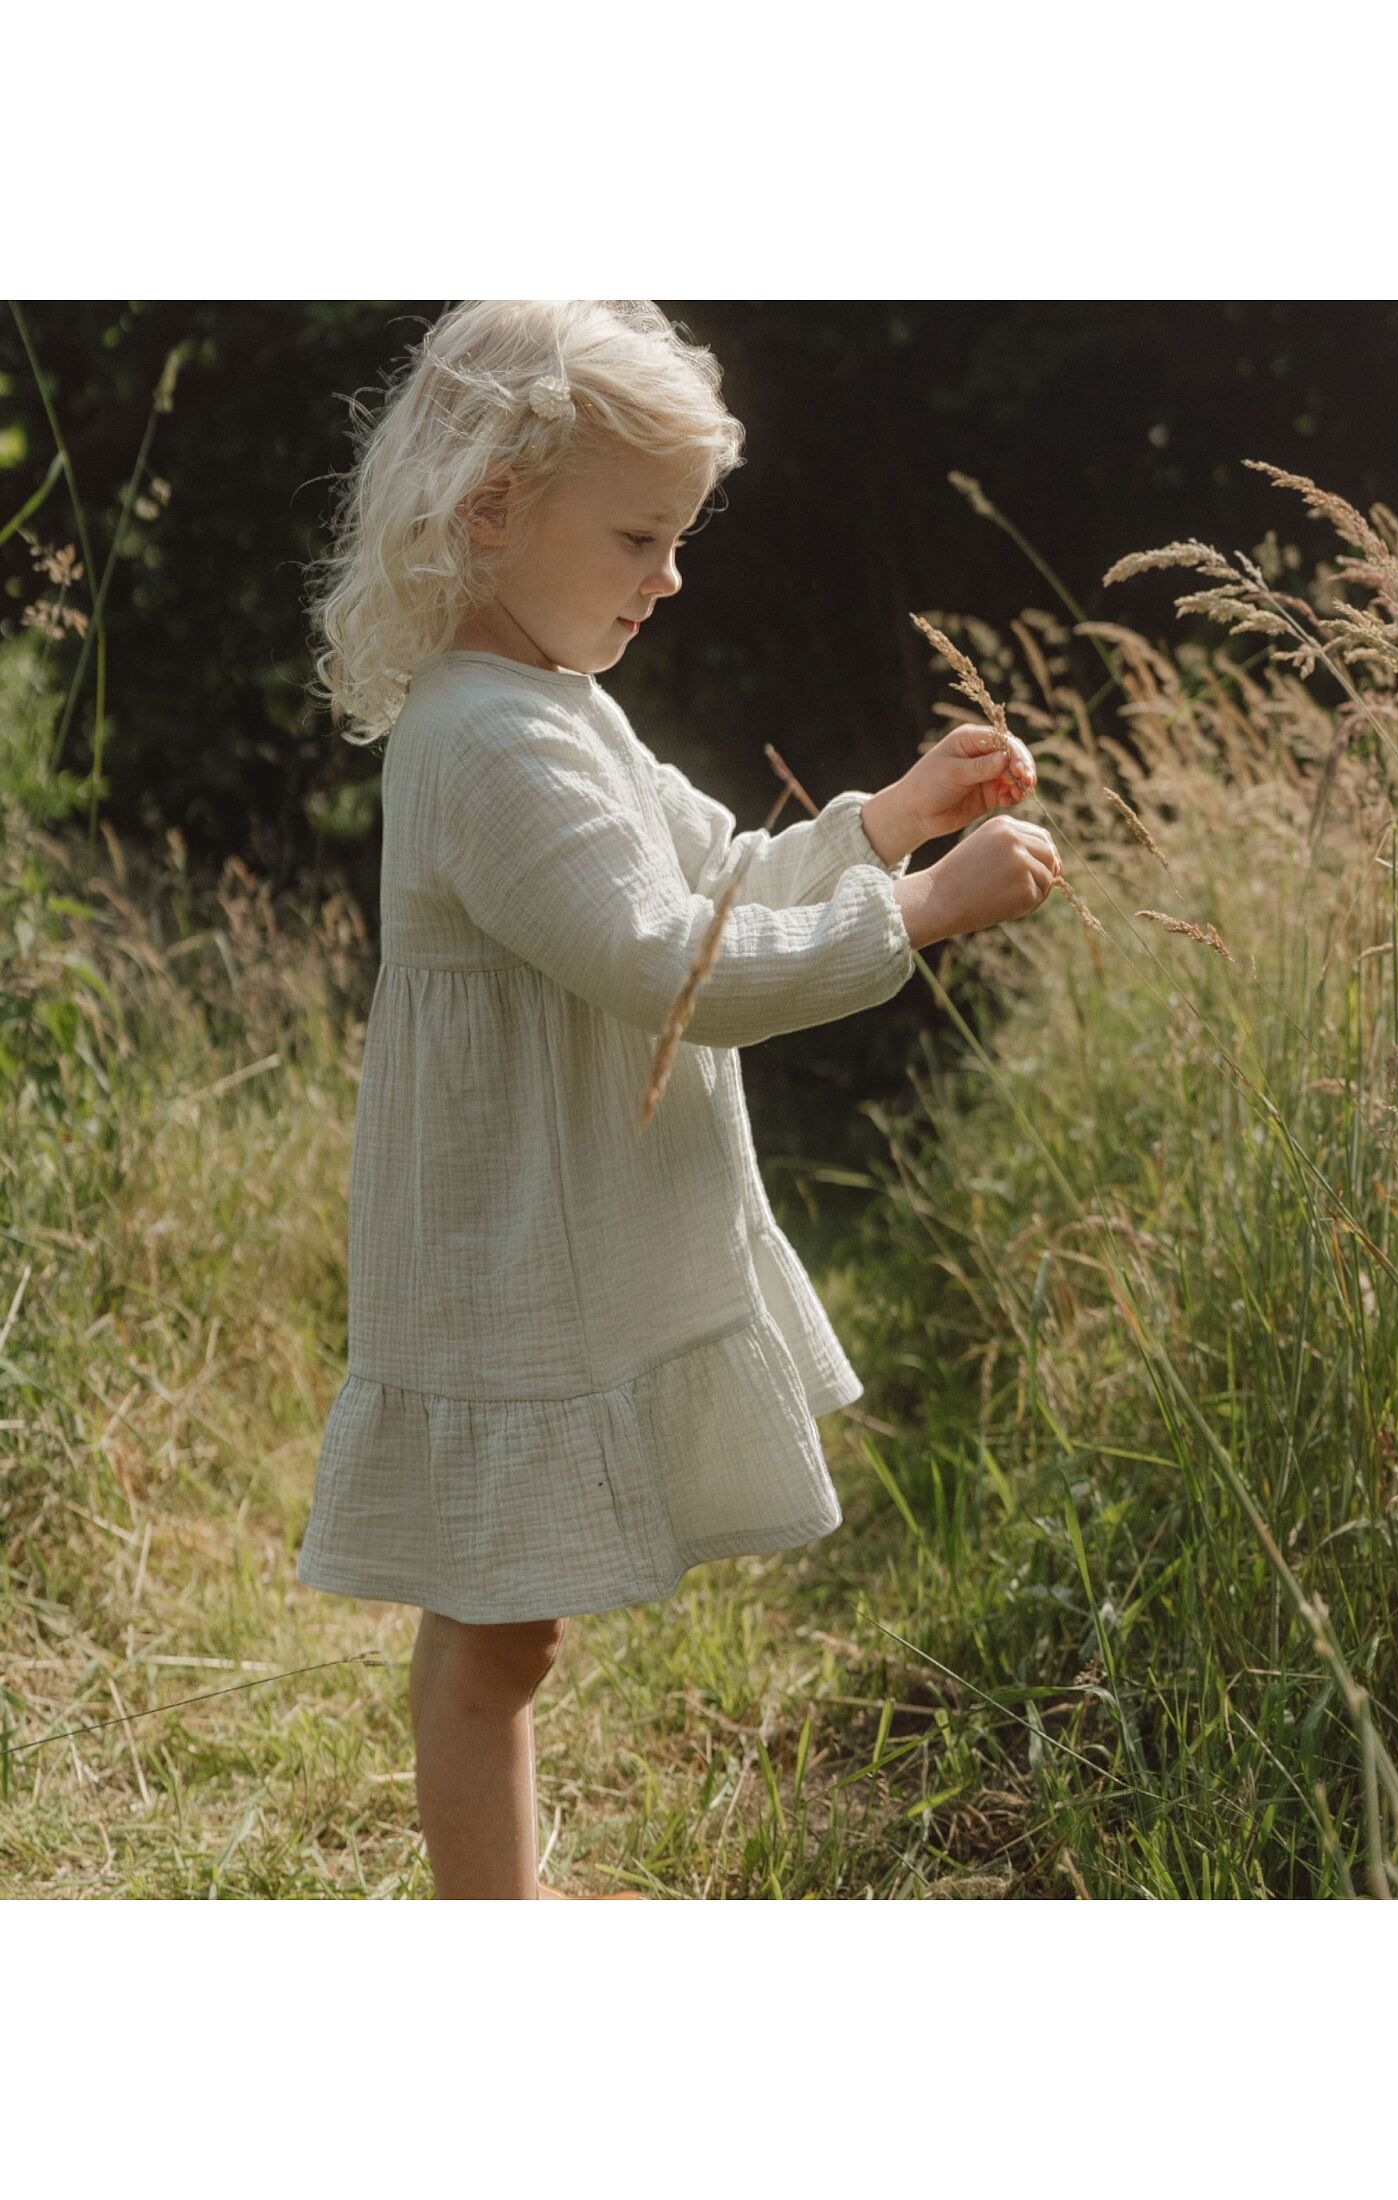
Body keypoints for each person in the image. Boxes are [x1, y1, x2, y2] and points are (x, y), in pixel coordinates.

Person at [295, 300, 1063, 1899]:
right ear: (489, 510)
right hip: (508, 1237)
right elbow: (671, 968)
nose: (672, 576)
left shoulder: (556, 705)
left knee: (516, 1623)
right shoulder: (483, 739)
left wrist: (886, 826)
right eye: (640, 536)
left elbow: (711, 887)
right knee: (498, 1628)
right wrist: (917, 917)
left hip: (551, 1226)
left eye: (680, 537)